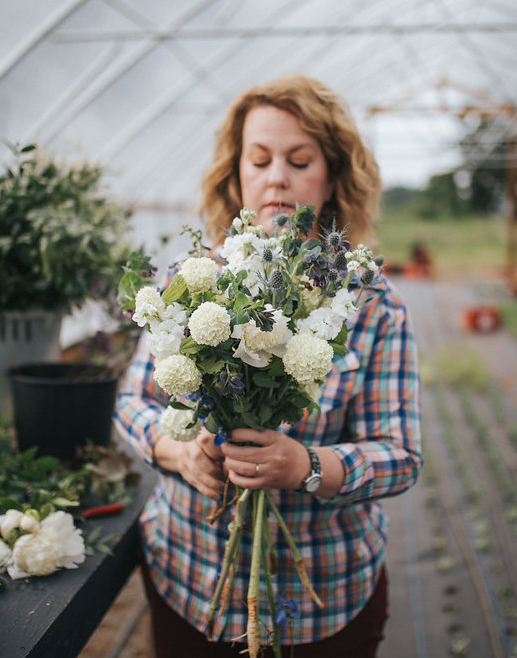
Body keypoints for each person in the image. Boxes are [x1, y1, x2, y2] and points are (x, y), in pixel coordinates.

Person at [114, 74, 422, 657]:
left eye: (299, 160)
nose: (277, 176)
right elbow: (132, 403)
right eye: (260, 159)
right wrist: (180, 453)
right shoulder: (190, 283)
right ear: (236, 176)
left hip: (323, 599)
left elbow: (401, 455)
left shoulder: (372, 304)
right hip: (190, 580)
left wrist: (306, 464)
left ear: (332, 178)